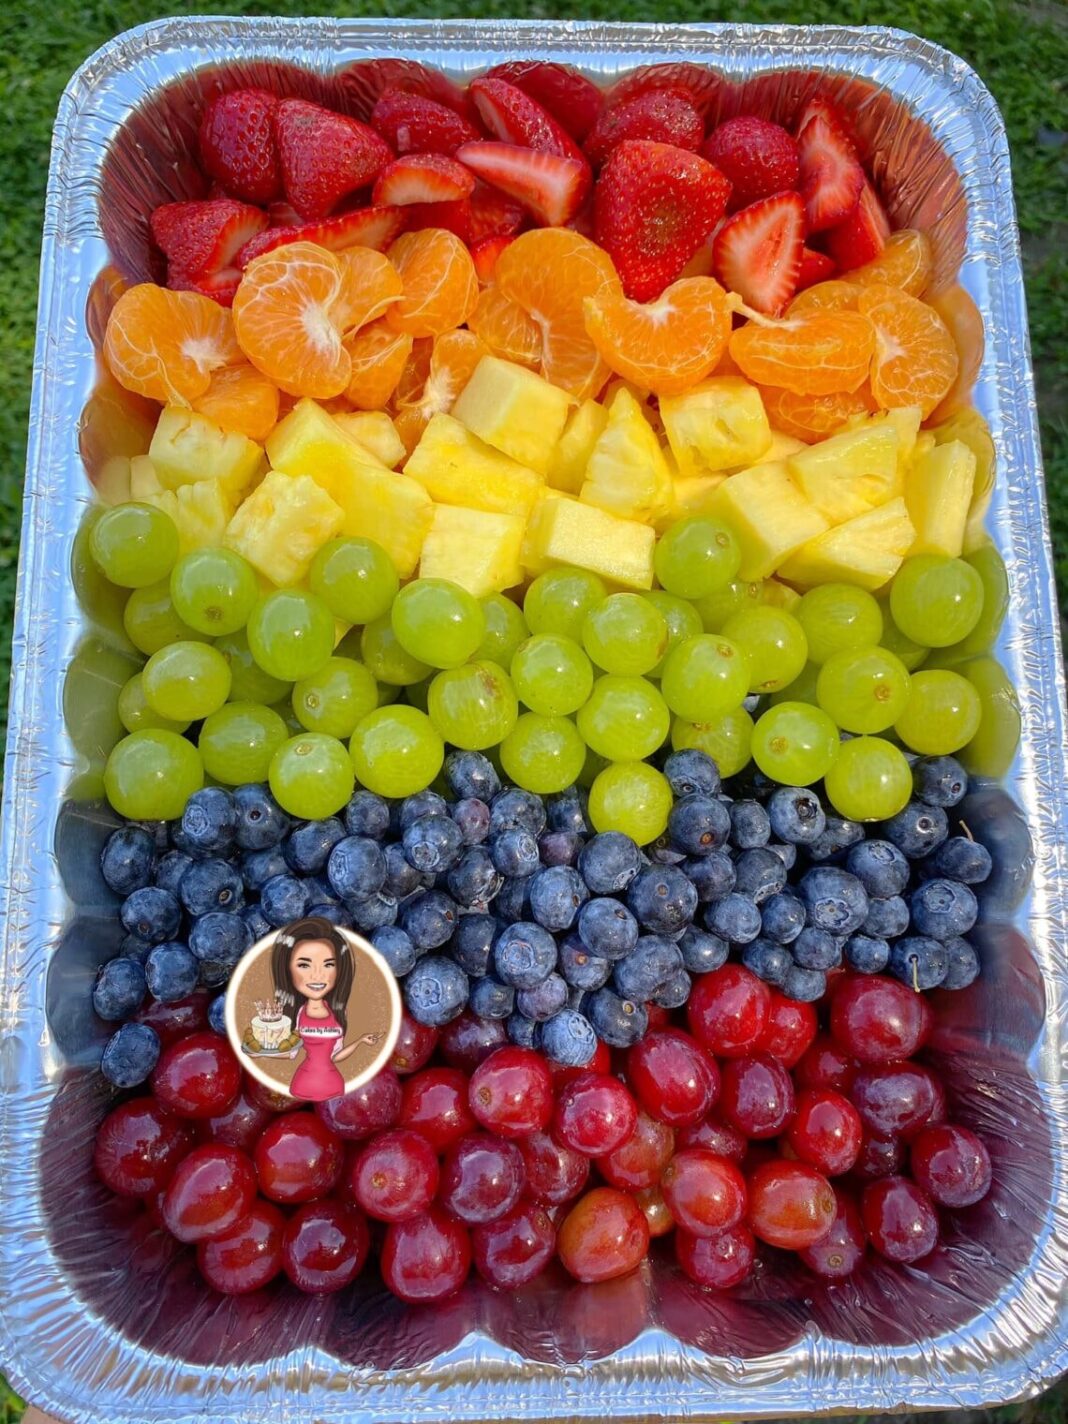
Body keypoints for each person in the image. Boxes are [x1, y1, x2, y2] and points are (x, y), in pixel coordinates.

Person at [269, 917, 382, 1100]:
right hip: (304, 1080)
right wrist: (262, 1051)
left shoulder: (340, 1012)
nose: (317, 974)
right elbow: (291, 1052)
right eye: (304, 965)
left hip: (333, 1083)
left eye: (328, 964)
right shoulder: (297, 1013)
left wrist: (360, 1041)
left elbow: (336, 1055)